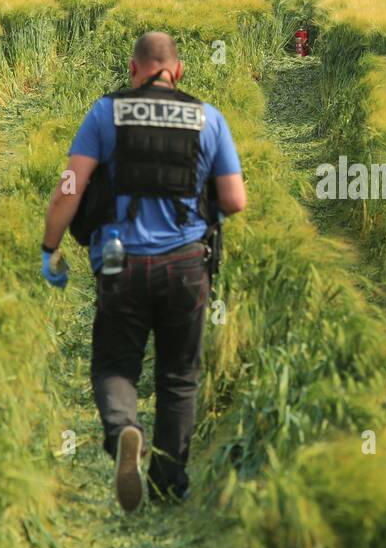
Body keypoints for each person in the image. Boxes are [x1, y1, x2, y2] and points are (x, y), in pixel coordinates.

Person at [39, 32, 246, 512]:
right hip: (187, 268)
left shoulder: (105, 113)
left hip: (120, 265)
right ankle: (168, 482)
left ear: (134, 70)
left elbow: (69, 187)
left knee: (115, 364)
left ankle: (124, 430)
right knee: (178, 377)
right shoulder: (208, 118)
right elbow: (235, 200)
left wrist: (50, 248)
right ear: (178, 71)